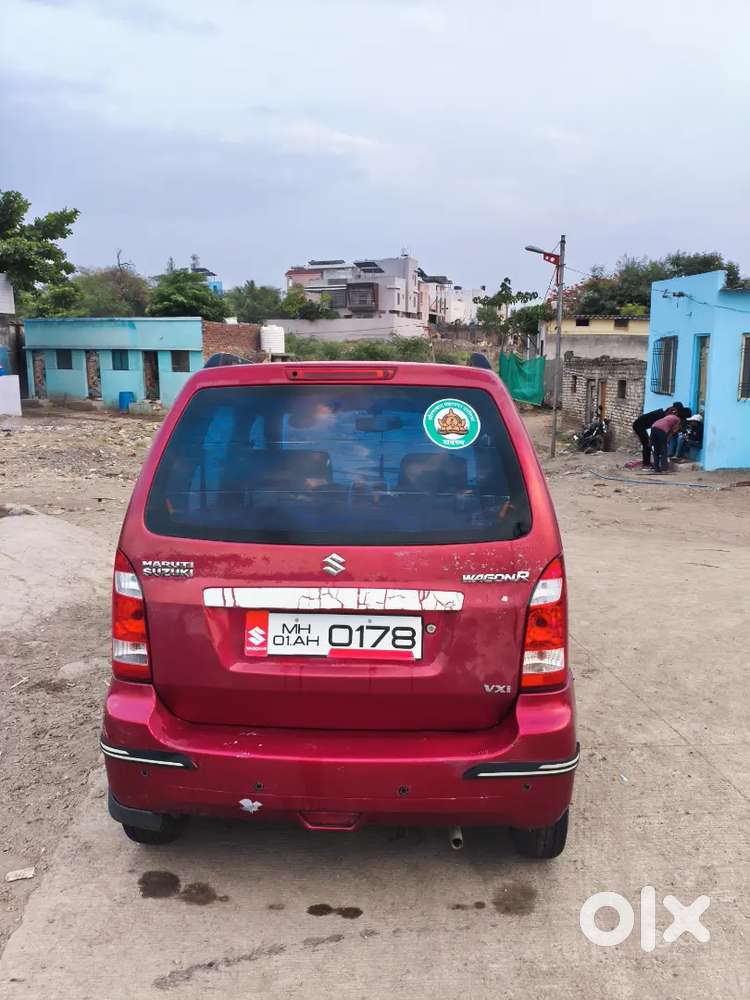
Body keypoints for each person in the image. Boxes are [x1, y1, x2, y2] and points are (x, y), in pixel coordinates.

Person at [632, 402, 682, 468]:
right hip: (639, 426)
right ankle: (646, 464)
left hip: (642, 426)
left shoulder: (662, 413)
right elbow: (663, 430)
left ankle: (649, 463)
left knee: (649, 444)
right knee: (647, 445)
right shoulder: (661, 416)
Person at [650, 408, 682, 473]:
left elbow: (669, 429)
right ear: (676, 414)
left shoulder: (666, 417)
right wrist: (668, 439)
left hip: (653, 428)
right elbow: (674, 430)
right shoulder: (678, 419)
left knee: (656, 450)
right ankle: (664, 469)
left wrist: (667, 438)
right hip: (661, 430)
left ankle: (656, 468)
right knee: (663, 450)